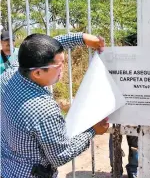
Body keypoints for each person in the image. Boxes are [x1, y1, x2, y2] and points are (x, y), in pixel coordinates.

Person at [1, 32, 109, 178]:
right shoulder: (43, 109)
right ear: (38, 73)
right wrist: (92, 131)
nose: (63, 68)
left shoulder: (11, 74)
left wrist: (81, 38)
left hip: (7, 169)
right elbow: (60, 155)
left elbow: (42, 47)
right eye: (60, 64)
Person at [109, 33, 138, 178]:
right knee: (116, 140)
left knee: (135, 142)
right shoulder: (115, 64)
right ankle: (117, 170)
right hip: (118, 110)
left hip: (134, 110)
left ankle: (132, 171)